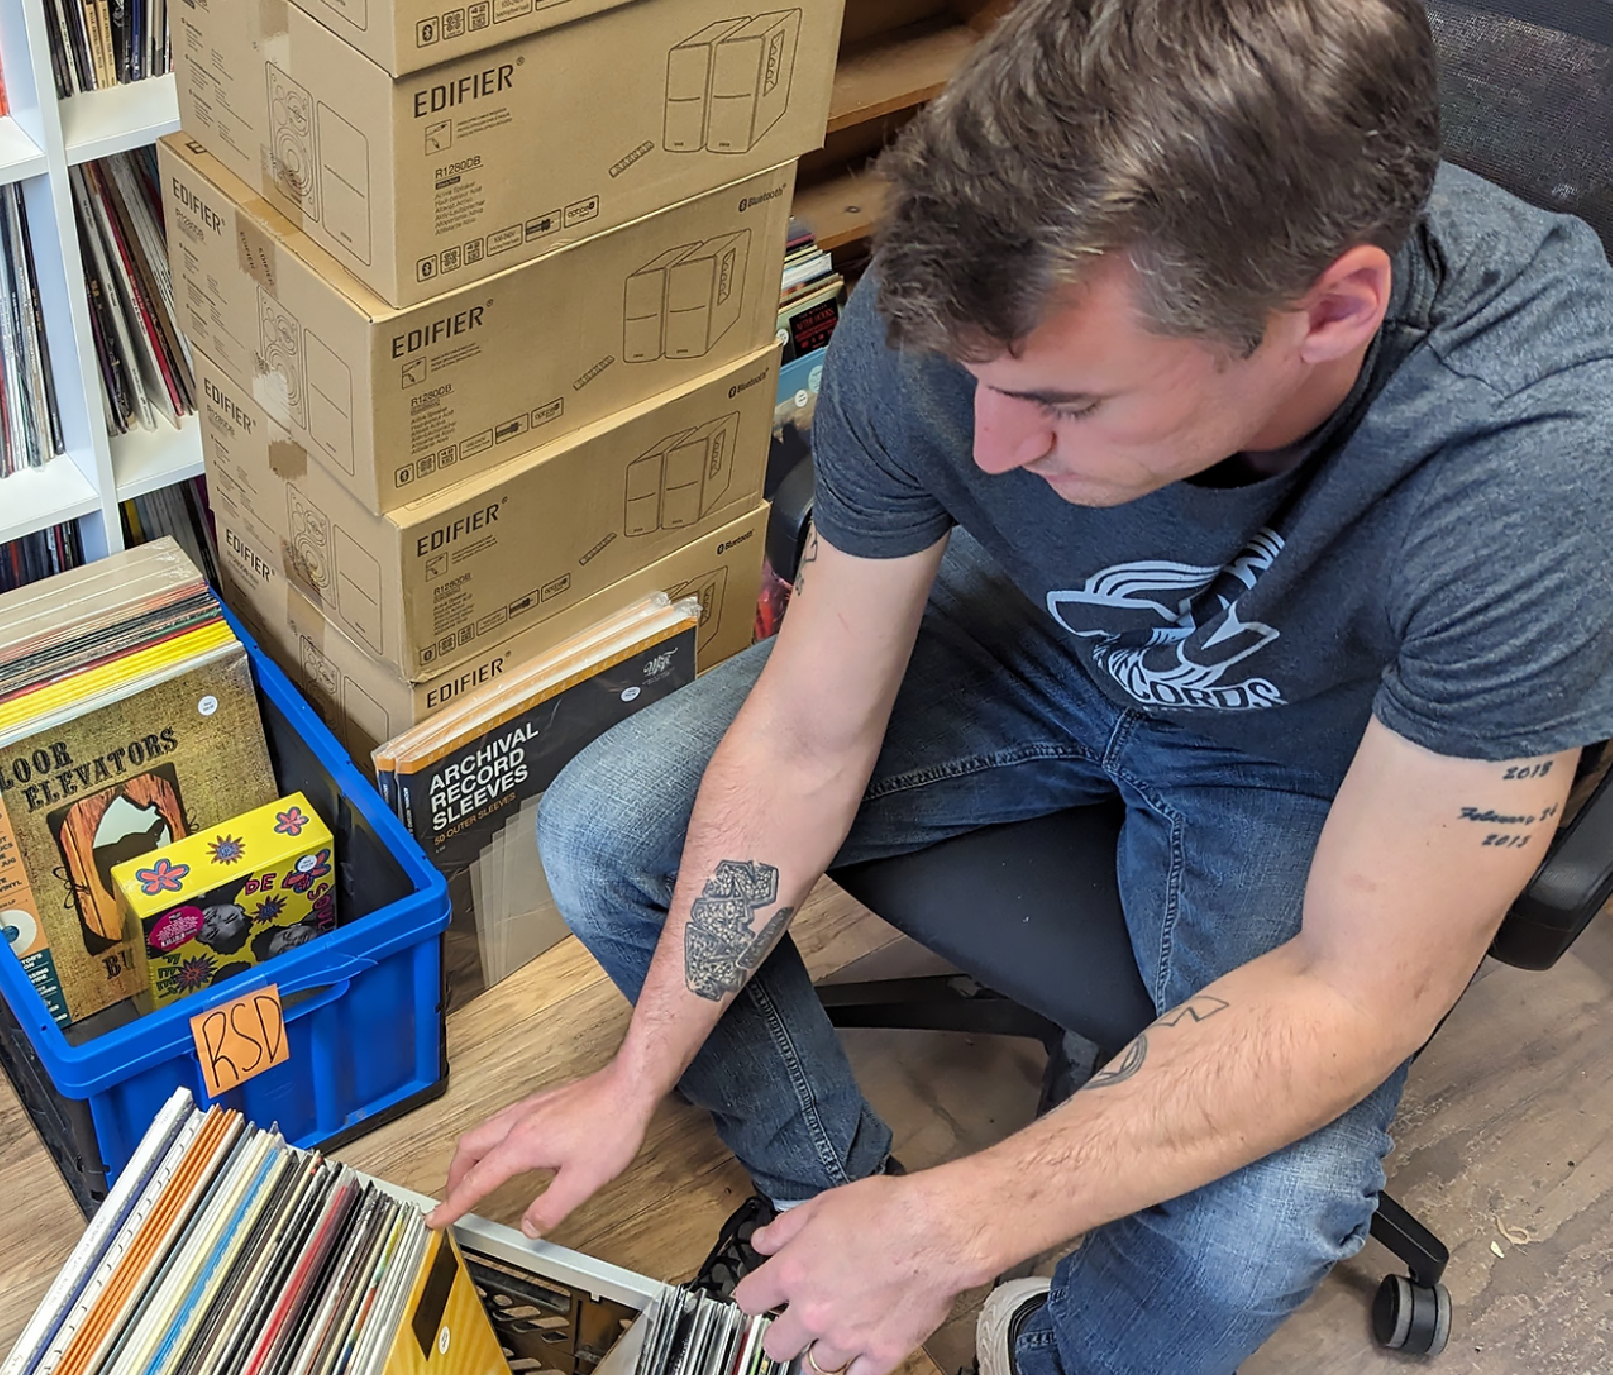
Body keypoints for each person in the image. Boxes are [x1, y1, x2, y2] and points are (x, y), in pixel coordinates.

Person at [428, 1, 1613, 1372]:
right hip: (1038, 630)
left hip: (1306, 749)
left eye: (1066, 402)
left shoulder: (1534, 458)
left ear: (1333, 313)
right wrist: (634, 1079)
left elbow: (1360, 987)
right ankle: (822, 1213)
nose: (989, 447)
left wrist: (958, 1225)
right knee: (609, 826)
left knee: (1262, 1223)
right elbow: (808, 733)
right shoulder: (960, 304)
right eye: (977, 380)